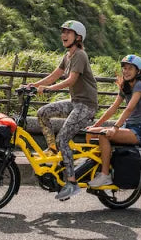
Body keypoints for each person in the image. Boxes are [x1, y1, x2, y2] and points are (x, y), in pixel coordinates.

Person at [25, 20, 98, 201]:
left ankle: (72, 183)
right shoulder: (67, 56)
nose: (64, 35)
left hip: (86, 105)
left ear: (78, 37)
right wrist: (35, 85)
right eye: (63, 31)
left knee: (64, 138)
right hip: (75, 102)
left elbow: (70, 80)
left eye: (68, 32)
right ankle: (52, 148)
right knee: (43, 113)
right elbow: (55, 75)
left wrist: (49, 90)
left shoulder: (80, 55)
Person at [85, 54, 141, 189]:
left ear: (138, 72)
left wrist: (115, 128)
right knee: (89, 132)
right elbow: (113, 108)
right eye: (124, 68)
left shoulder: (139, 86)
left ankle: (105, 175)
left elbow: (129, 108)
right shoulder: (125, 86)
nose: (126, 71)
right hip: (128, 128)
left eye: (130, 69)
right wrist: (95, 125)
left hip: (137, 131)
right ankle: (95, 166)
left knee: (104, 134)